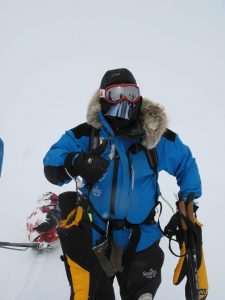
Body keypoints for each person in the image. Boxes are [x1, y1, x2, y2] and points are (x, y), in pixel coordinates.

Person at [43, 68, 207, 300]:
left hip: (142, 239)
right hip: (96, 237)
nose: (123, 100)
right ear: (102, 98)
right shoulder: (86, 135)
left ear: (138, 97)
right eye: (114, 94)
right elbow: (52, 163)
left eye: (130, 93)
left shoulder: (156, 137)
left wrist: (188, 199)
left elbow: (185, 163)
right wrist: (75, 161)